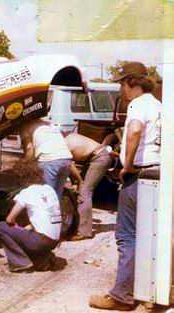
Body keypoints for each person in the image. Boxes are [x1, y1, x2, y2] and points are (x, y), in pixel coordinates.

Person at [89, 62, 162, 311]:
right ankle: (154, 295)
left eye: (121, 83)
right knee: (154, 236)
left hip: (139, 173)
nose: (120, 89)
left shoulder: (138, 104)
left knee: (127, 235)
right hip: (159, 171)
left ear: (131, 82)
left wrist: (127, 164)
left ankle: (122, 295)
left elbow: (134, 130)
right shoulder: (158, 105)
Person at [0, 159, 61, 272]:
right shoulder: (49, 189)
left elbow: (10, 219)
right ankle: (43, 258)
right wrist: (28, 227)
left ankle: (20, 263)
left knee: (2, 226)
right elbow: (46, 215)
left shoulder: (27, 192)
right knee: (29, 228)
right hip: (54, 240)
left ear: (21, 178)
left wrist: (19, 228)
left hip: (39, 241)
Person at [64, 133, 114, 240]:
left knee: (85, 192)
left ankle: (84, 232)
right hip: (95, 157)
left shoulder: (63, 144)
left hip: (99, 158)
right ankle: (78, 226)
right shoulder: (69, 137)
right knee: (81, 190)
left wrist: (79, 181)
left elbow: (70, 166)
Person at [19, 118, 73, 201]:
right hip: (66, 158)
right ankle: (56, 213)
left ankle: (46, 213)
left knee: (46, 195)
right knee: (56, 195)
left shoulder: (25, 126)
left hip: (49, 159)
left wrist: (24, 163)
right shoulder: (49, 124)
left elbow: (29, 149)